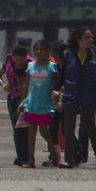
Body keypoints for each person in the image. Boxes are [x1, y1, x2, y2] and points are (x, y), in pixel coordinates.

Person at [54, 27, 96, 169]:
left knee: (90, 126)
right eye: (87, 37)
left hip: (90, 94)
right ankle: (69, 159)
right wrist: (56, 89)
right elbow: (63, 75)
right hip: (72, 94)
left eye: (91, 37)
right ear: (78, 39)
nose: (91, 40)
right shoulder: (67, 54)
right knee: (69, 128)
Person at [18, 39, 58, 168]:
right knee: (31, 132)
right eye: (37, 49)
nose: (39, 52)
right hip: (31, 103)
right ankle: (31, 160)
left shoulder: (52, 67)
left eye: (42, 49)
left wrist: (57, 95)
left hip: (45, 104)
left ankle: (54, 152)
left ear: (48, 51)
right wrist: (22, 102)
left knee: (43, 130)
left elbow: (56, 84)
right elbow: (27, 86)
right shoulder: (30, 66)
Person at [0, 44, 33, 166]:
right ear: (13, 57)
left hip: (27, 99)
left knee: (26, 127)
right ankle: (19, 155)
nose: (20, 62)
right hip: (13, 98)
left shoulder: (32, 64)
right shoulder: (9, 60)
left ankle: (26, 156)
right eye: (17, 59)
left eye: (22, 59)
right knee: (16, 127)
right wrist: (3, 84)